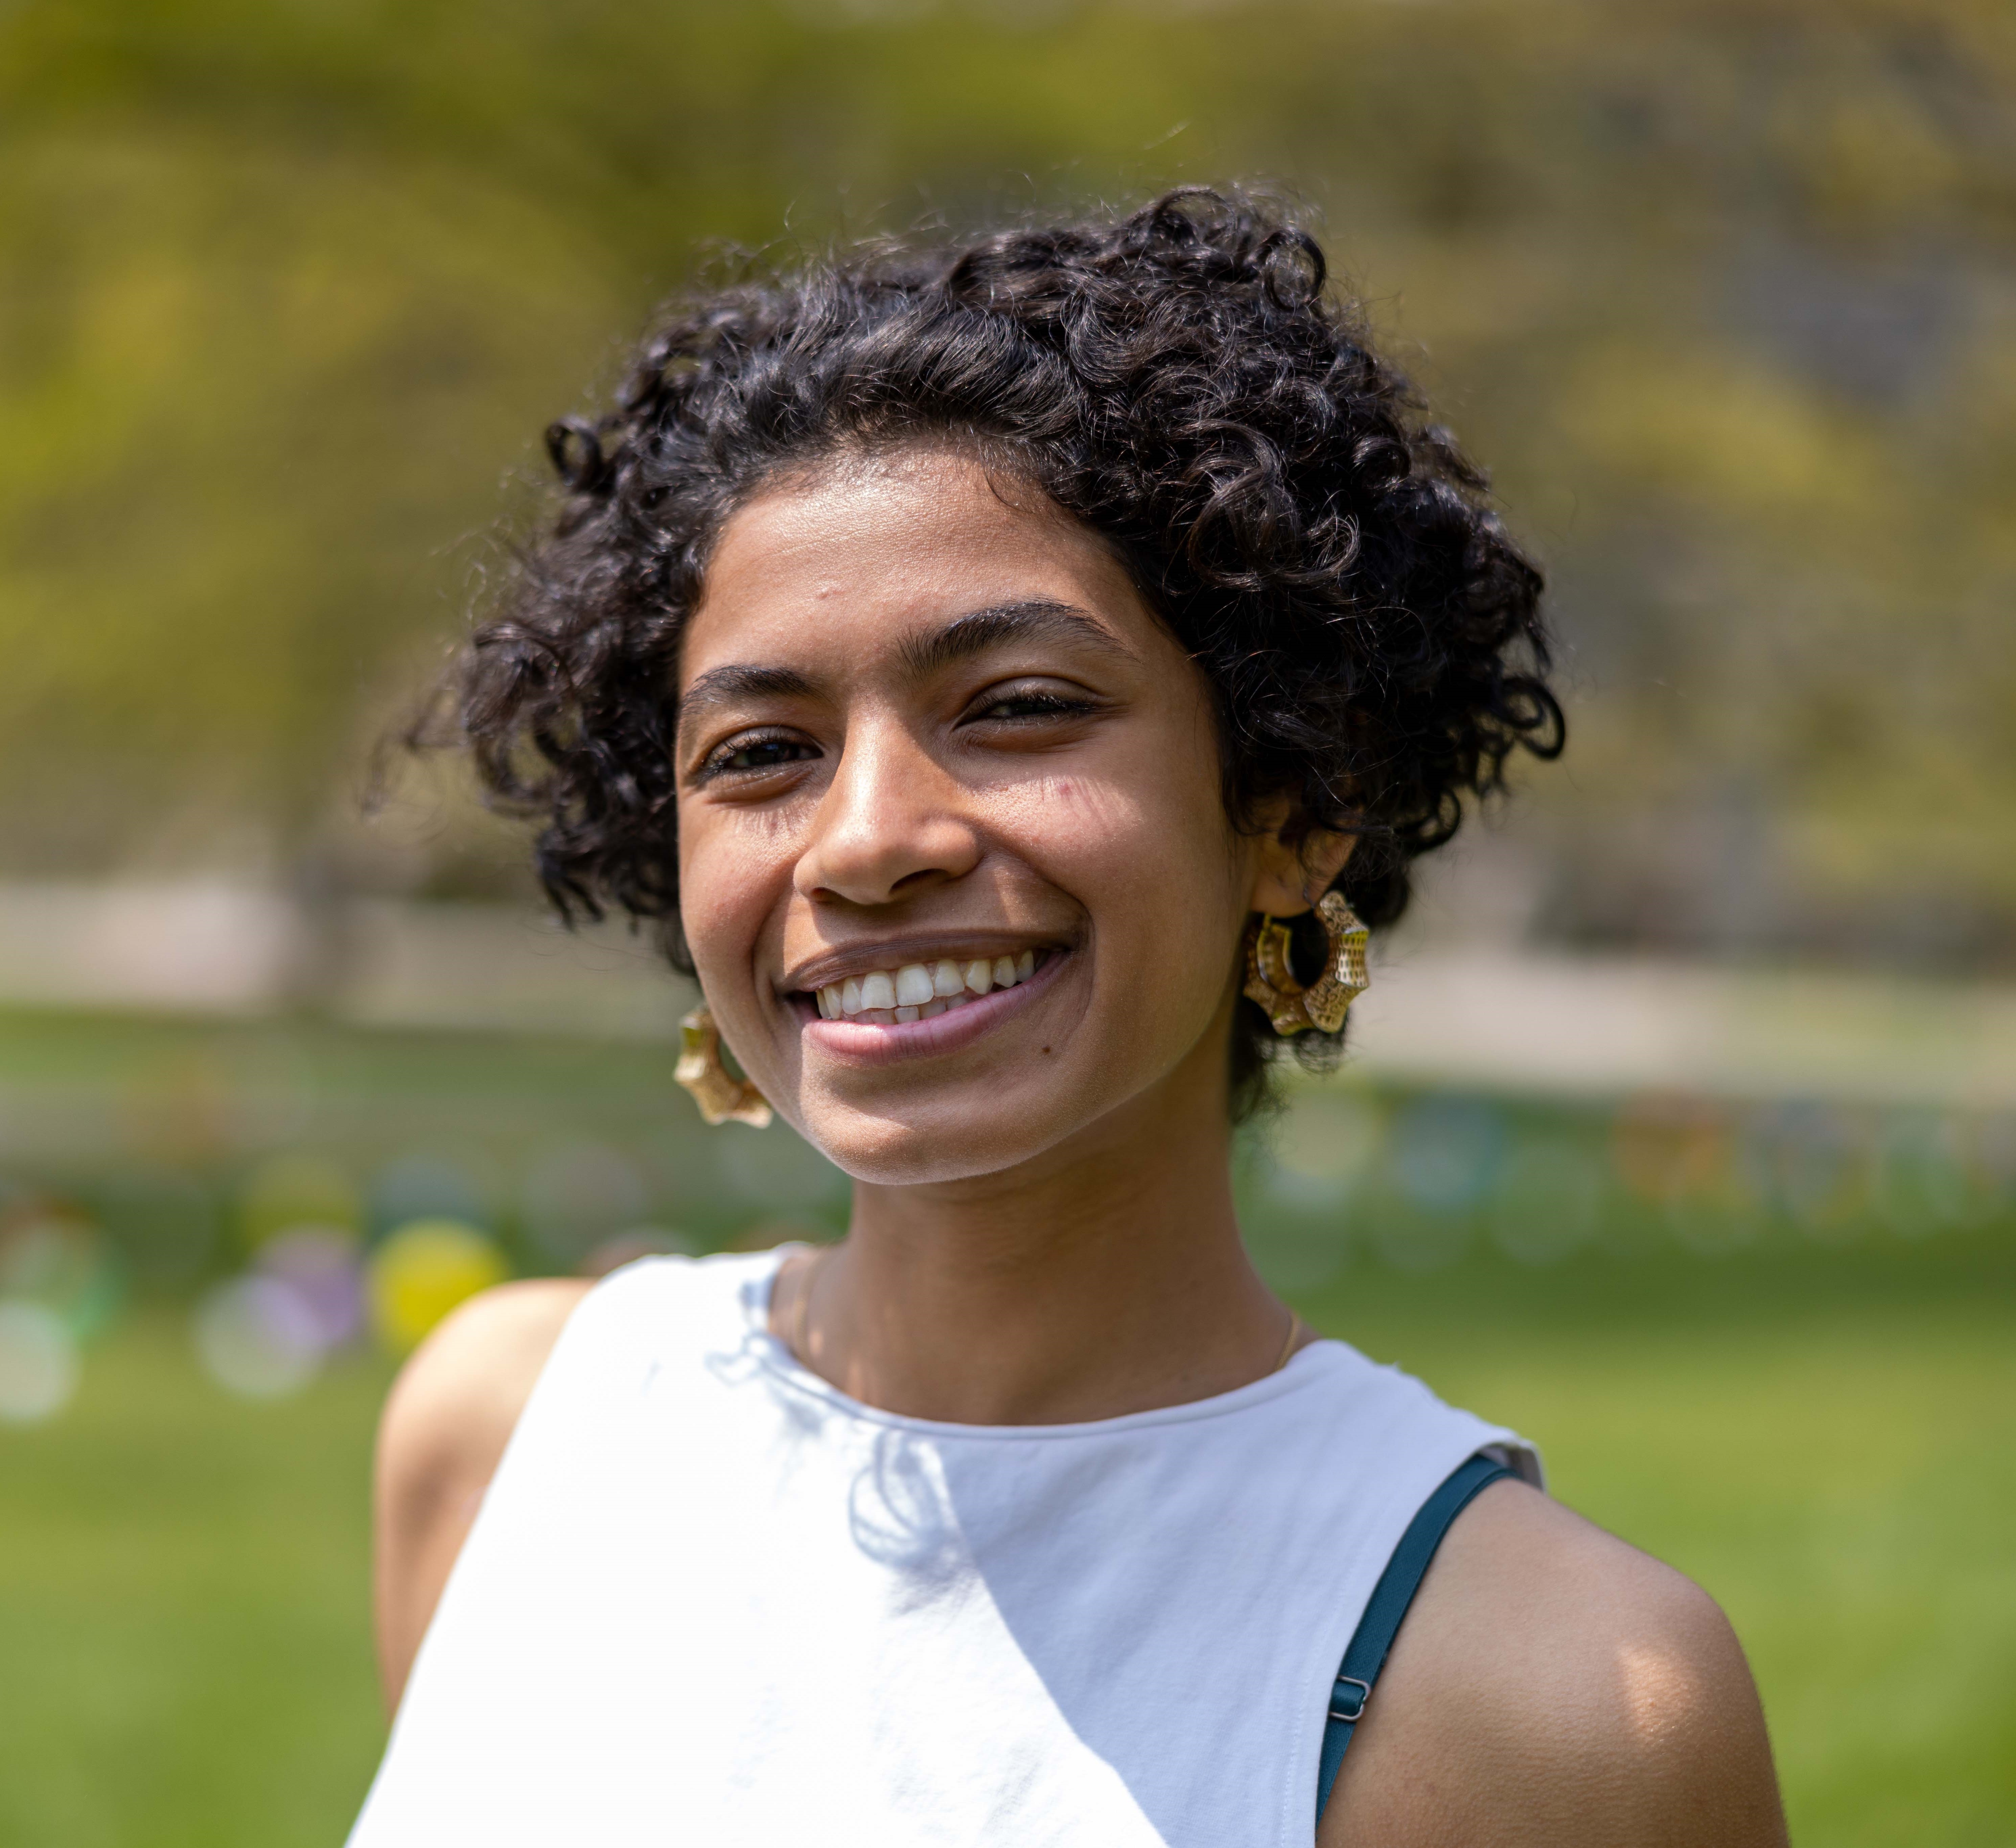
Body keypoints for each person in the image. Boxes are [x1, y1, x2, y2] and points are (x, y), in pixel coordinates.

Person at [351, 189, 1788, 1846]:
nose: (873, 838)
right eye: (761, 750)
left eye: (1020, 708)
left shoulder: (1558, 1701)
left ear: (1288, 804)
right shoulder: (515, 1426)